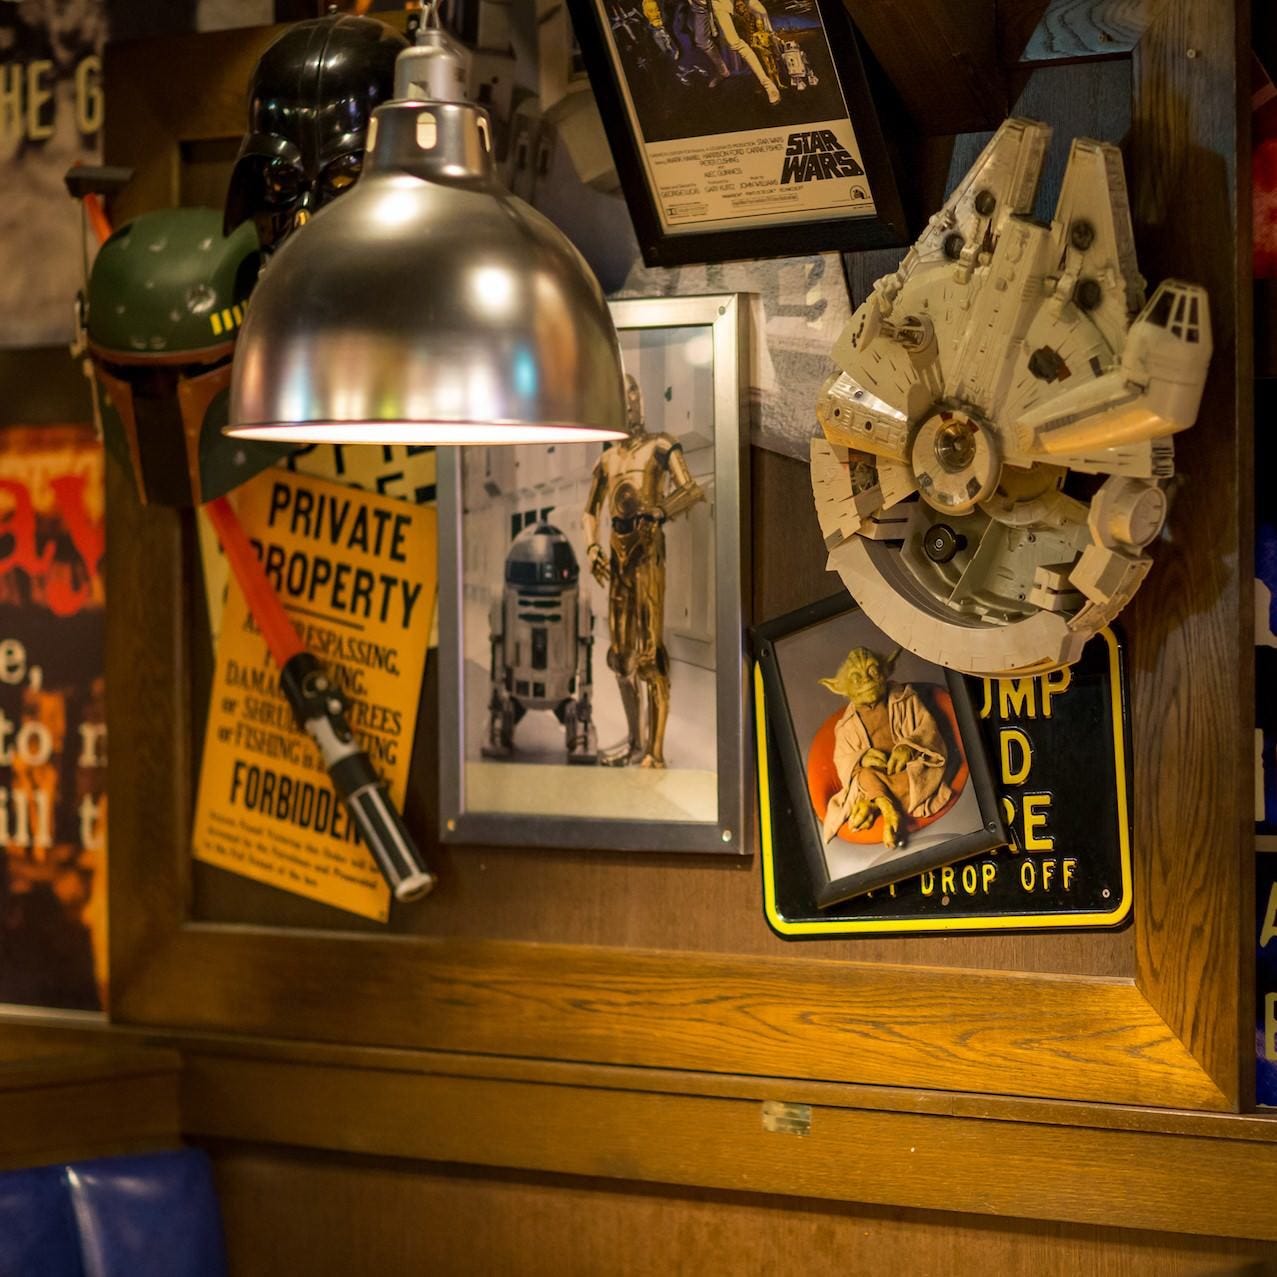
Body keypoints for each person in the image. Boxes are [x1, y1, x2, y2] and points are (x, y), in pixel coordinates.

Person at [582, 375, 704, 768]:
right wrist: (591, 546)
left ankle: (655, 750)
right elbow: (590, 511)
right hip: (617, 557)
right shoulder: (607, 459)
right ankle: (635, 741)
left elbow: (691, 489)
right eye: (622, 398)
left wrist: (660, 510)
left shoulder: (661, 445)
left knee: (650, 654)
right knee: (621, 655)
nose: (629, 404)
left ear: (641, 400)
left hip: (649, 551)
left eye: (633, 395)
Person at [819, 647, 952, 848]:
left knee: (912, 777)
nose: (867, 680)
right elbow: (843, 759)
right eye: (856, 678)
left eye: (873, 671)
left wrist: (908, 747)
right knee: (864, 776)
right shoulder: (846, 725)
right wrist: (861, 757)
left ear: (886, 670)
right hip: (876, 776)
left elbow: (928, 729)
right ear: (842, 688)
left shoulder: (905, 698)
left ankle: (875, 803)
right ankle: (888, 809)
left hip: (908, 771)